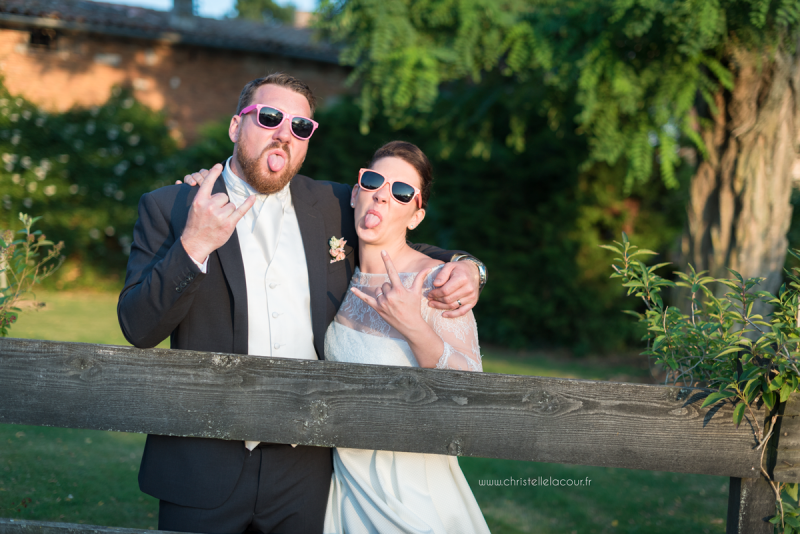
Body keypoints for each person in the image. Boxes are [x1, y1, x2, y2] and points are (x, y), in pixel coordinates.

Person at [117, 73, 486, 534]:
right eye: (270, 117)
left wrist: (469, 267)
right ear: (235, 126)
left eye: (300, 126)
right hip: (201, 464)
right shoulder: (172, 207)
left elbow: (397, 237)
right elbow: (138, 328)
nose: (284, 134)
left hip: (306, 475)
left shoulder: (333, 203)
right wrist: (192, 247)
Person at [320, 141, 490, 534]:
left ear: (416, 216)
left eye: (401, 192)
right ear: (356, 193)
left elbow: (472, 392)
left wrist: (413, 325)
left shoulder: (438, 281)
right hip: (346, 485)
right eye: (373, 181)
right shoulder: (341, 275)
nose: (382, 195)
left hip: (413, 488)